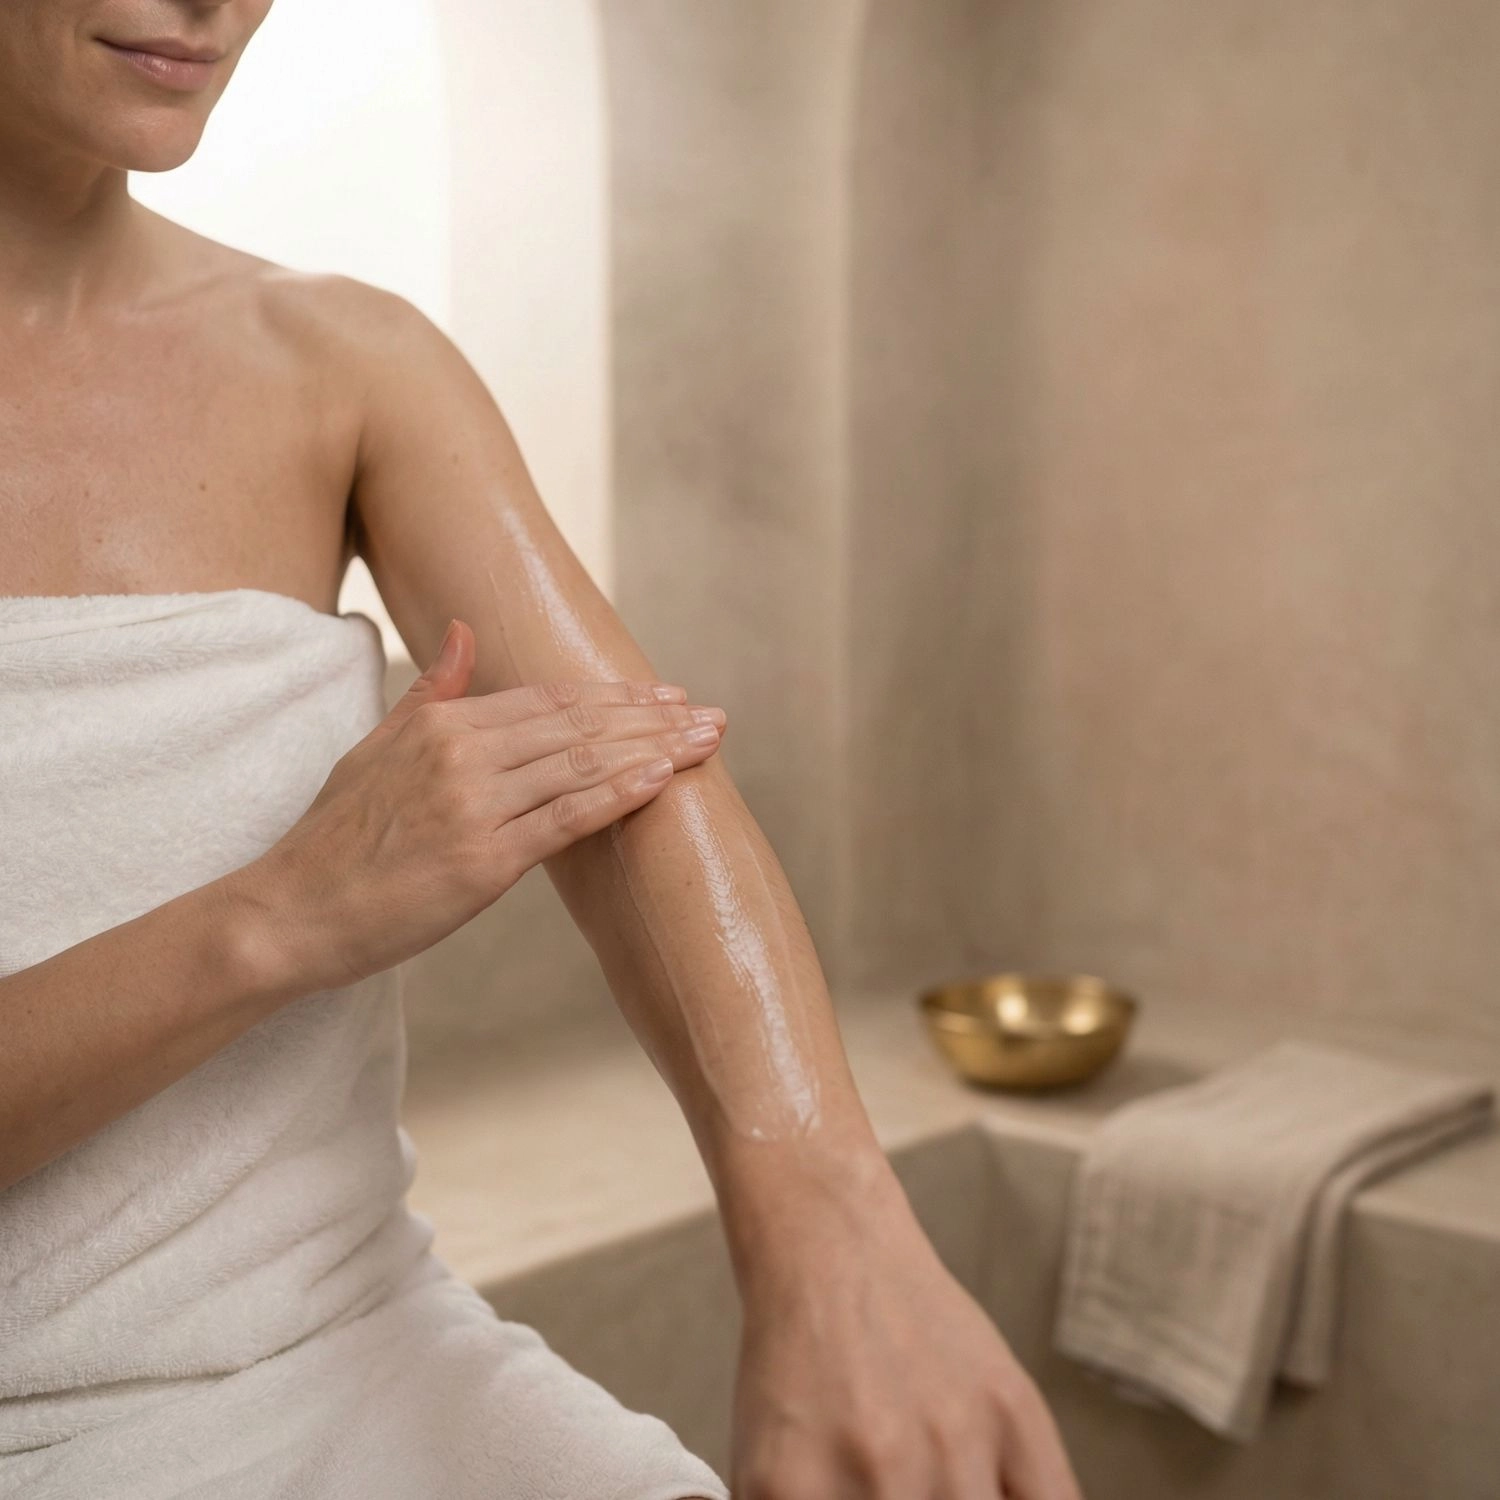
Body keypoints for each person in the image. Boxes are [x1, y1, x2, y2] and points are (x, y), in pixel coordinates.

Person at [0, 4, 1086, 1497]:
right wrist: (276, 918)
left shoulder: (342, 358)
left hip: (337, 1362)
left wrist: (832, 1226)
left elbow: (631, 774)